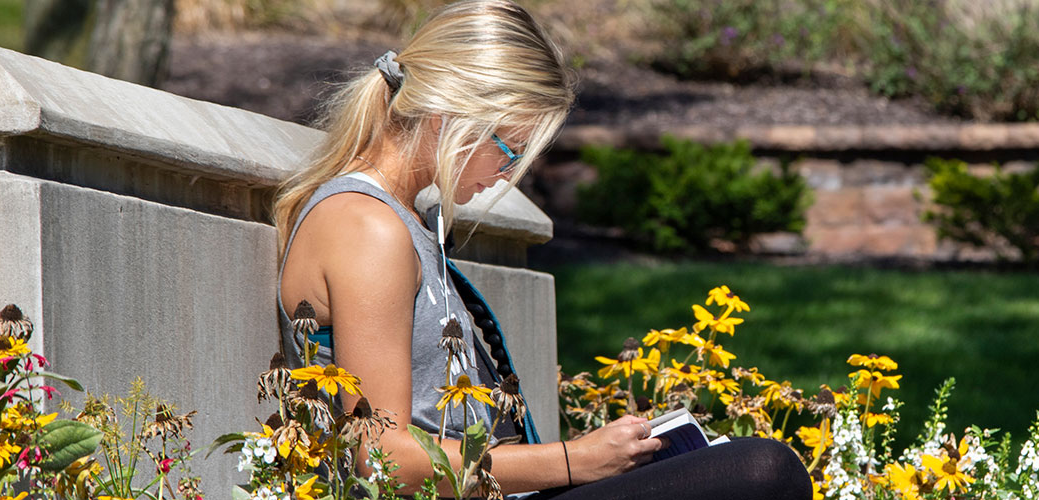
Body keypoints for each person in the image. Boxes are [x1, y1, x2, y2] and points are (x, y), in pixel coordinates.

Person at [272, 1, 811, 498]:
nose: (507, 174)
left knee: (747, 466)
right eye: (509, 149)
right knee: (764, 471)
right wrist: (574, 461)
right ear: (450, 117)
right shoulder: (366, 226)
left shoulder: (406, 220)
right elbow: (379, 455)